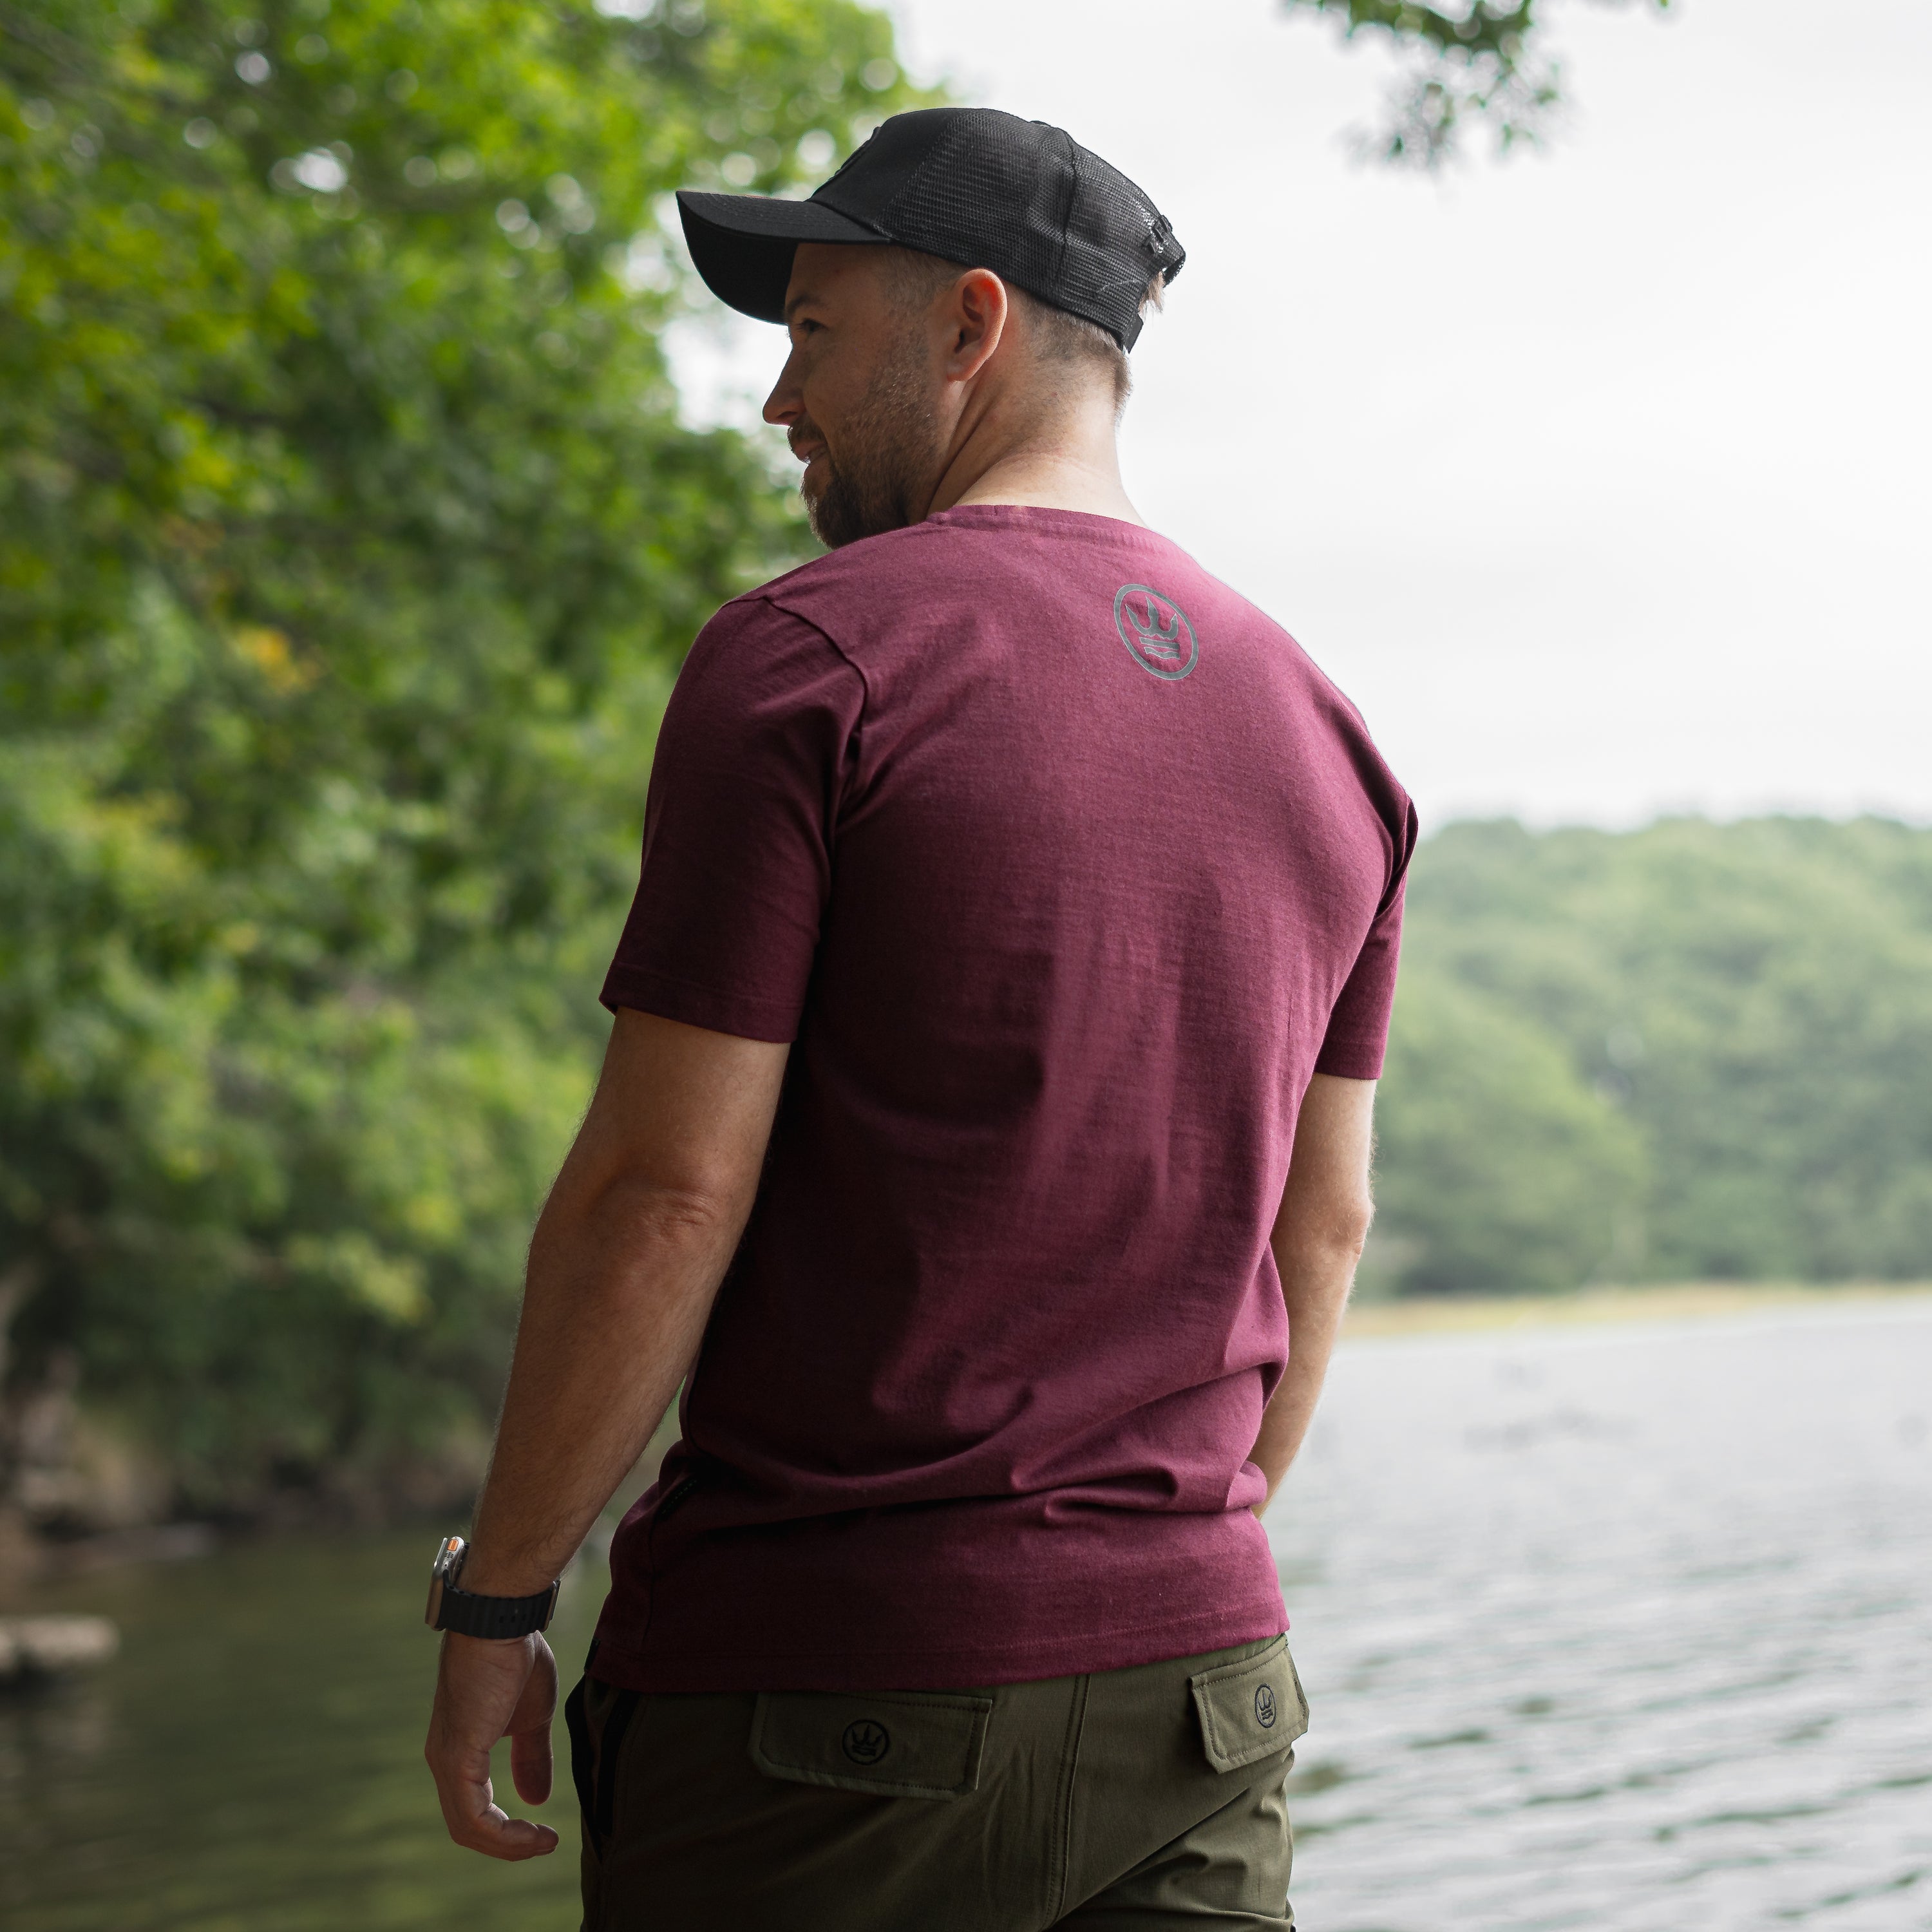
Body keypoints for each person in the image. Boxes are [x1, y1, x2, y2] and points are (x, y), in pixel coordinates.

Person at [422, 106, 1415, 1929]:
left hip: (828, 1705)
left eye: (809, 330)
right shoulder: (1335, 738)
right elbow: (1325, 1222)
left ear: (970, 325)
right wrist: (1180, 1546)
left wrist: (501, 1597)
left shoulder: (812, 656)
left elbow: (665, 1192)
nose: (777, 401)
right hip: (1206, 1700)